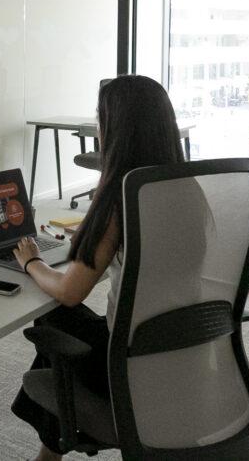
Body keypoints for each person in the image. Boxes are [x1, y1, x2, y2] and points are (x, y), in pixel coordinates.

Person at [10, 75, 186, 461]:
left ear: (115, 129)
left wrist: (32, 261)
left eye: (99, 120)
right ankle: (48, 455)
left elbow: (70, 291)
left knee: (55, 315)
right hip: (182, 355)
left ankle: (48, 455)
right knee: (63, 333)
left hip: (126, 366)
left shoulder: (120, 199)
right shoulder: (191, 191)